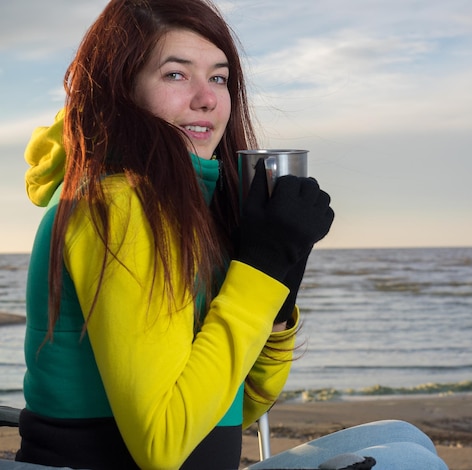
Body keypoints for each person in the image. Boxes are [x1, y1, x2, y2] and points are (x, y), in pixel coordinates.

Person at [17, 1, 447, 469]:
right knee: (407, 461)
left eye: (219, 77)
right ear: (120, 91)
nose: (207, 99)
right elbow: (162, 446)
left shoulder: (184, 206)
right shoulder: (115, 205)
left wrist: (281, 282)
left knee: (405, 438)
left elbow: (240, 406)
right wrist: (259, 269)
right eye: (176, 75)